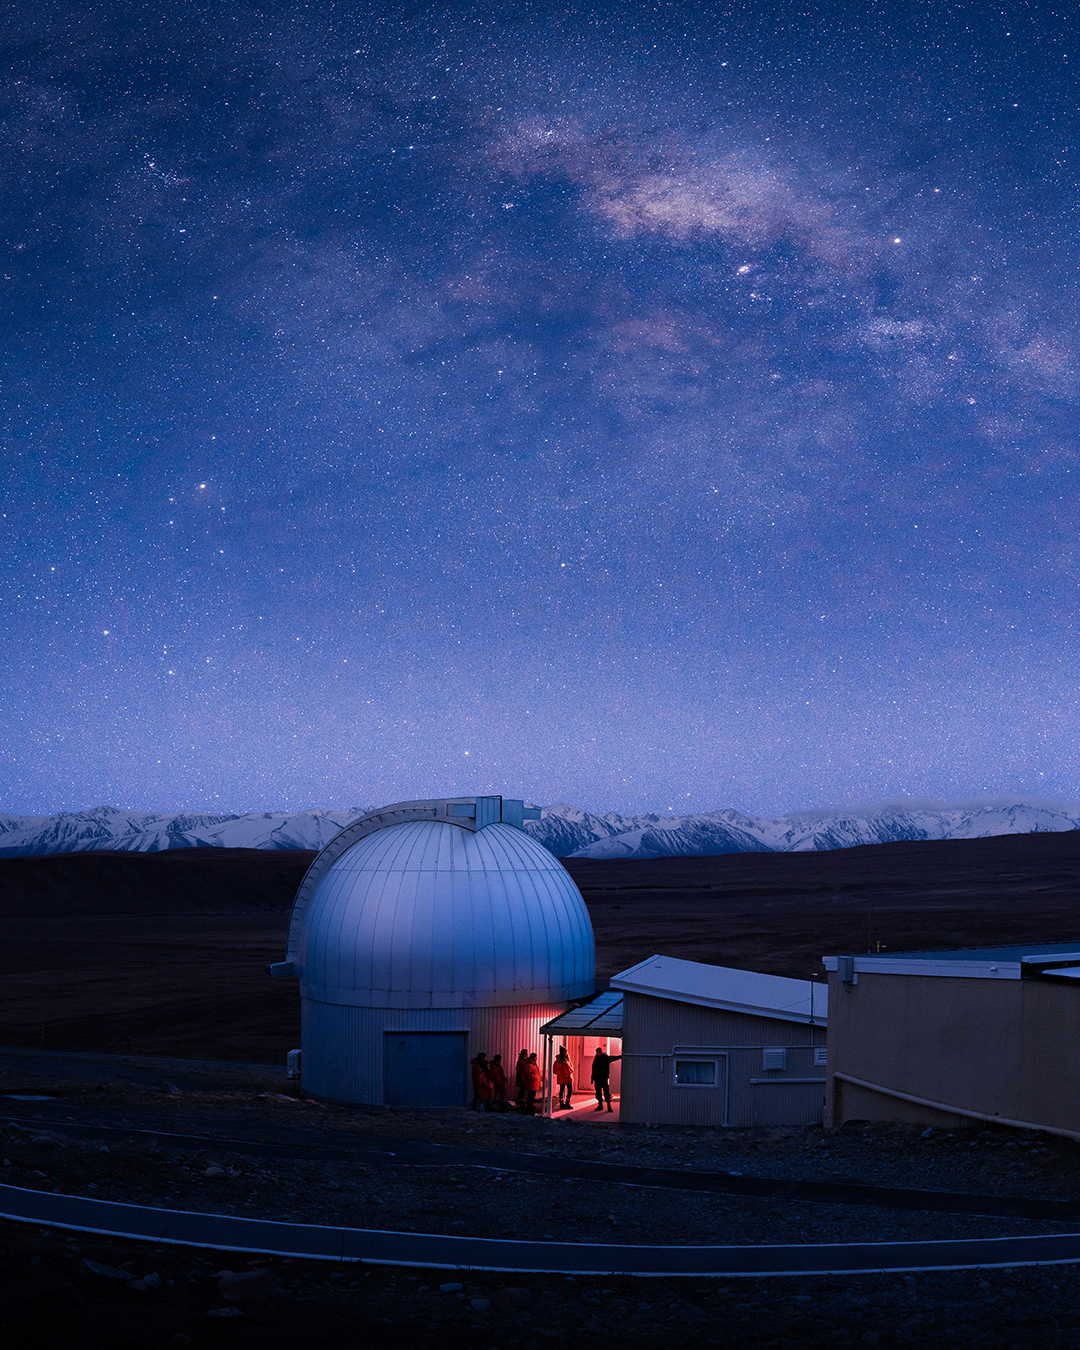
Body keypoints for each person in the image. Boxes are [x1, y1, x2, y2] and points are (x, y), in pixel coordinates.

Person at [590, 1046, 621, 1112]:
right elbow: (593, 1069)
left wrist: (620, 1056)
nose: (600, 1053)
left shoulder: (605, 1058)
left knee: (606, 1092)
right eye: (598, 1052)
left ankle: (609, 1106)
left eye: (600, 1051)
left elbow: (613, 1058)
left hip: (603, 1078)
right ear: (597, 1053)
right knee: (598, 1093)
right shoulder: (596, 1059)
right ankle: (600, 1105)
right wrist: (592, 1078)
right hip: (597, 1078)